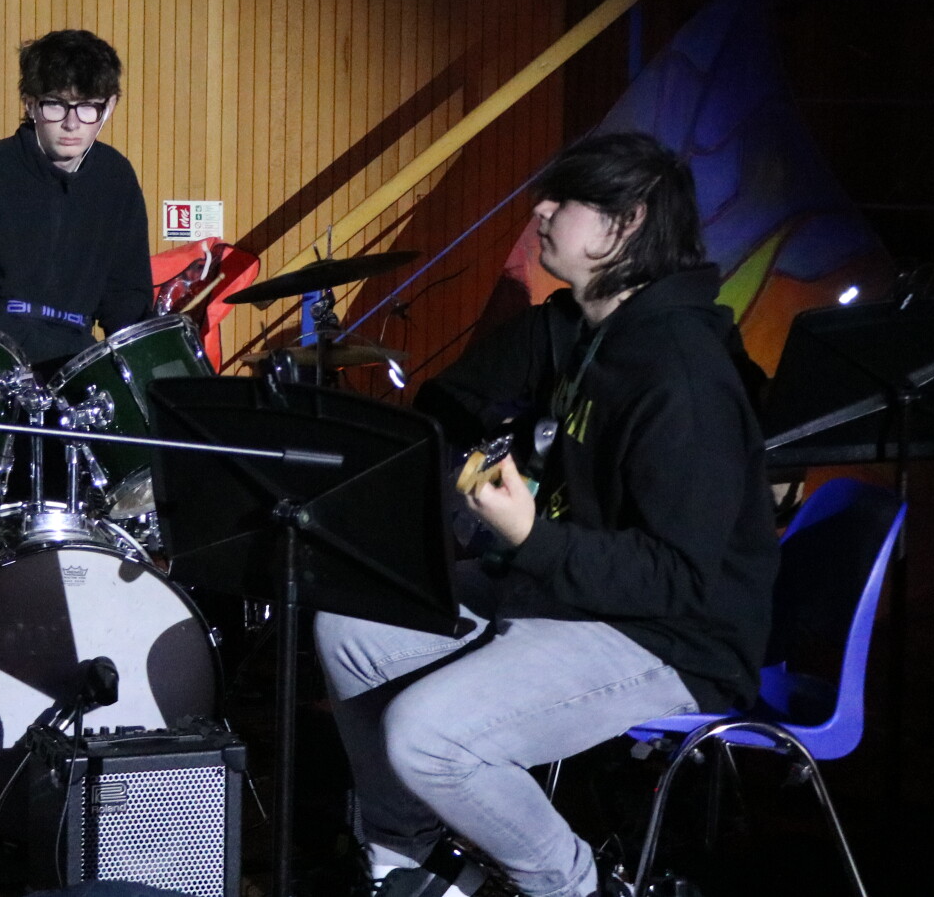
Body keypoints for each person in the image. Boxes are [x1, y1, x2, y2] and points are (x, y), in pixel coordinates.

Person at [313, 131, 778, 897]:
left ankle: (575, 886)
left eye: (566, 201)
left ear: (626, 222)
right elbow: (460, 407)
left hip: (672, 638)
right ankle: (410, 858)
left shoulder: (681, 374)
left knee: (427, 735)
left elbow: (677, 578)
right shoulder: (590, 332)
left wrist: (529, 534)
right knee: (352, 623)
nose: (541, 211)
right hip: (575, 593)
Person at [0, 29, 153, 367]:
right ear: (30, 103)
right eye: (56, 104)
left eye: (88, 107)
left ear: (109, 106)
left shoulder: (116, 177)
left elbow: (125, 295)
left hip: (78, 363)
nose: (71, 123)